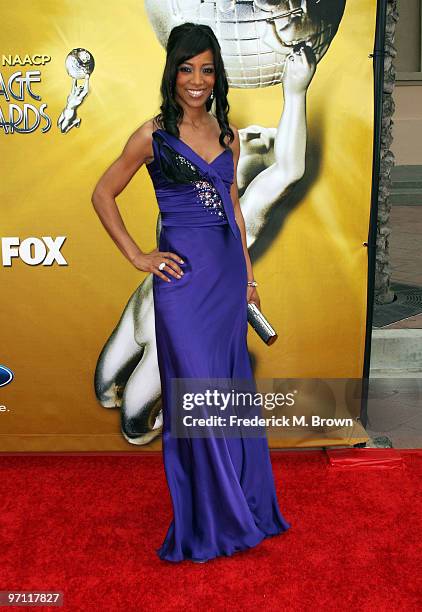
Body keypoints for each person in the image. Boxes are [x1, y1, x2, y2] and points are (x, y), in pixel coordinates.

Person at [92, 22, 291, 563]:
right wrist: (138, 255)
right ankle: (209, 518)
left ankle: (244, 504)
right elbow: (103, 192)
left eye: (206, 69)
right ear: (172, 73)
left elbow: (233, 215)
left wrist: (248, 279)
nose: (197, 80)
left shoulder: (227, 135)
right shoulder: (153, 135)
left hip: (227, 281)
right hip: (181, 288)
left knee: (228, 399)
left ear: (216, 75)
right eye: (187, 68)